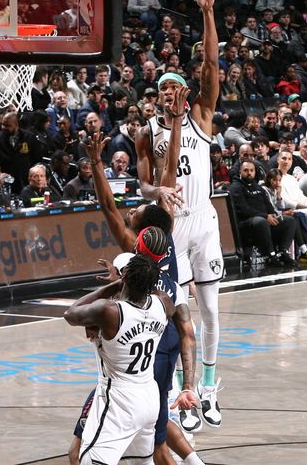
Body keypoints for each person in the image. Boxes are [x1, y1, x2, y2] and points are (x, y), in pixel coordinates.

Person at [71, 126, 202, 465]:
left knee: (102, 447)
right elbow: (169, 173)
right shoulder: (166, 249)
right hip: (165, 336)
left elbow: (107, 206)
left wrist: (96, 164)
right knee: (155, 428)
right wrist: (175, 126)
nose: (130, 214)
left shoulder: (134, 251)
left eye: (134, 216)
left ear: (141, 237)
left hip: (137, 361)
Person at [135, 0, 226, 431]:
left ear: (183, 92)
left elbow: (211, 62)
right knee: (172, 315)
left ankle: (208, 388)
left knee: (209, 311)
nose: (165, 94)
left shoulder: (202, 117)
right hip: (173, 227)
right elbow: (143, 185)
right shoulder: (146, 132)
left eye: (171, 88)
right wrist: (157, 192)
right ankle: (175, 391)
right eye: (159, 91)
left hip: (205, 221)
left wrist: (207, 12)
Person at [64, 254, 174, 465]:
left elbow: (71, 313)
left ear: (124, 276)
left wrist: (111, 286)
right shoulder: (164, 304)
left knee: (87, 460)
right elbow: (151, 294)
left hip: (119, 400)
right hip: (149, 398)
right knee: (141, 462)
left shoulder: (109, 311)